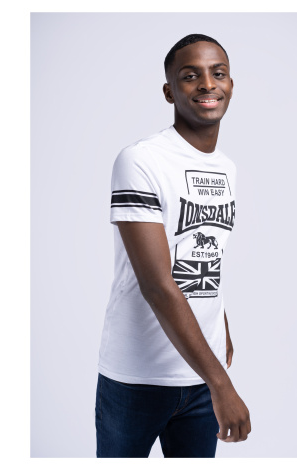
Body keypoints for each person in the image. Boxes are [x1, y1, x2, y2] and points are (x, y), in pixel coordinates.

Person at [95, 33, 251, 458]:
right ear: (169, 92)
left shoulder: (226, 168)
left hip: (200, 371)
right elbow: (157, 284)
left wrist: (221, 328)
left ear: (231, 85)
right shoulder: (141, 160)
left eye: (218, 73)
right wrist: (222, 384)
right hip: (137, 376)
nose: (207, 84)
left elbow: (205, 254)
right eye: (190, 76)